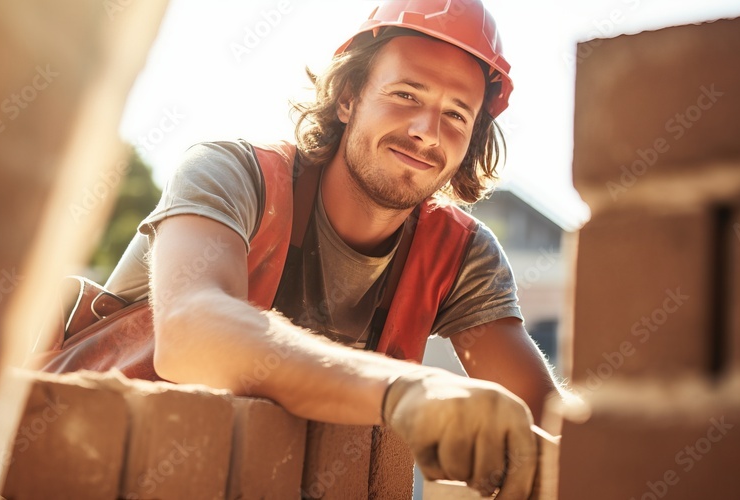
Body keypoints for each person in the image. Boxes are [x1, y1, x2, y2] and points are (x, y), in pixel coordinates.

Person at [105, 1, 558, 497]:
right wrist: (405, 391)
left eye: (456, 114)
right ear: (348, 98)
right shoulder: (234, 176)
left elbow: (550, 427)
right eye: (406, 94)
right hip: (103, 471)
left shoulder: (460, 255)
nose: (427, 131)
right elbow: (190, 334)